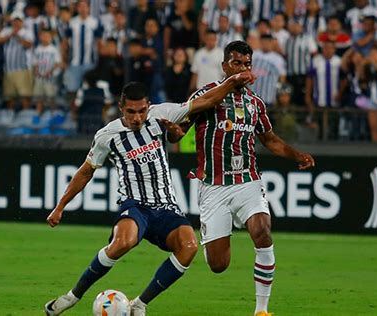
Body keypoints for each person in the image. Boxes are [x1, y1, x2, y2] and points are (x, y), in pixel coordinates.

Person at [44, 72, 255, 316]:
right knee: (124, 241)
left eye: (142, 111)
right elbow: (85, 172)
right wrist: (60, 207)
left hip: (166, 206)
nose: (137, 117)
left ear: (148, 105)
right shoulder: (106, 136)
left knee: (189, 246)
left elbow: (205, 102)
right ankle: (72, 296)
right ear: (121, 107)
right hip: (134, 205)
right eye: (131, 112)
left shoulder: (161, 114)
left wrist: (232, 82)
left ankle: (139, 304)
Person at [181, 40, 315, 316]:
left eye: (246, 64)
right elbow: (179, 130)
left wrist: (296, 154)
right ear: (224, 66)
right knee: (218, 265)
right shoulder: (206, 96)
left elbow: (269, 139)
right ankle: (212, 235)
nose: (242, 69)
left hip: (247, 182)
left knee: (262, 230)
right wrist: (169, 129)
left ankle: (262, 310)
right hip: (214, 187)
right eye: (236, 63)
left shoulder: (255, 103)